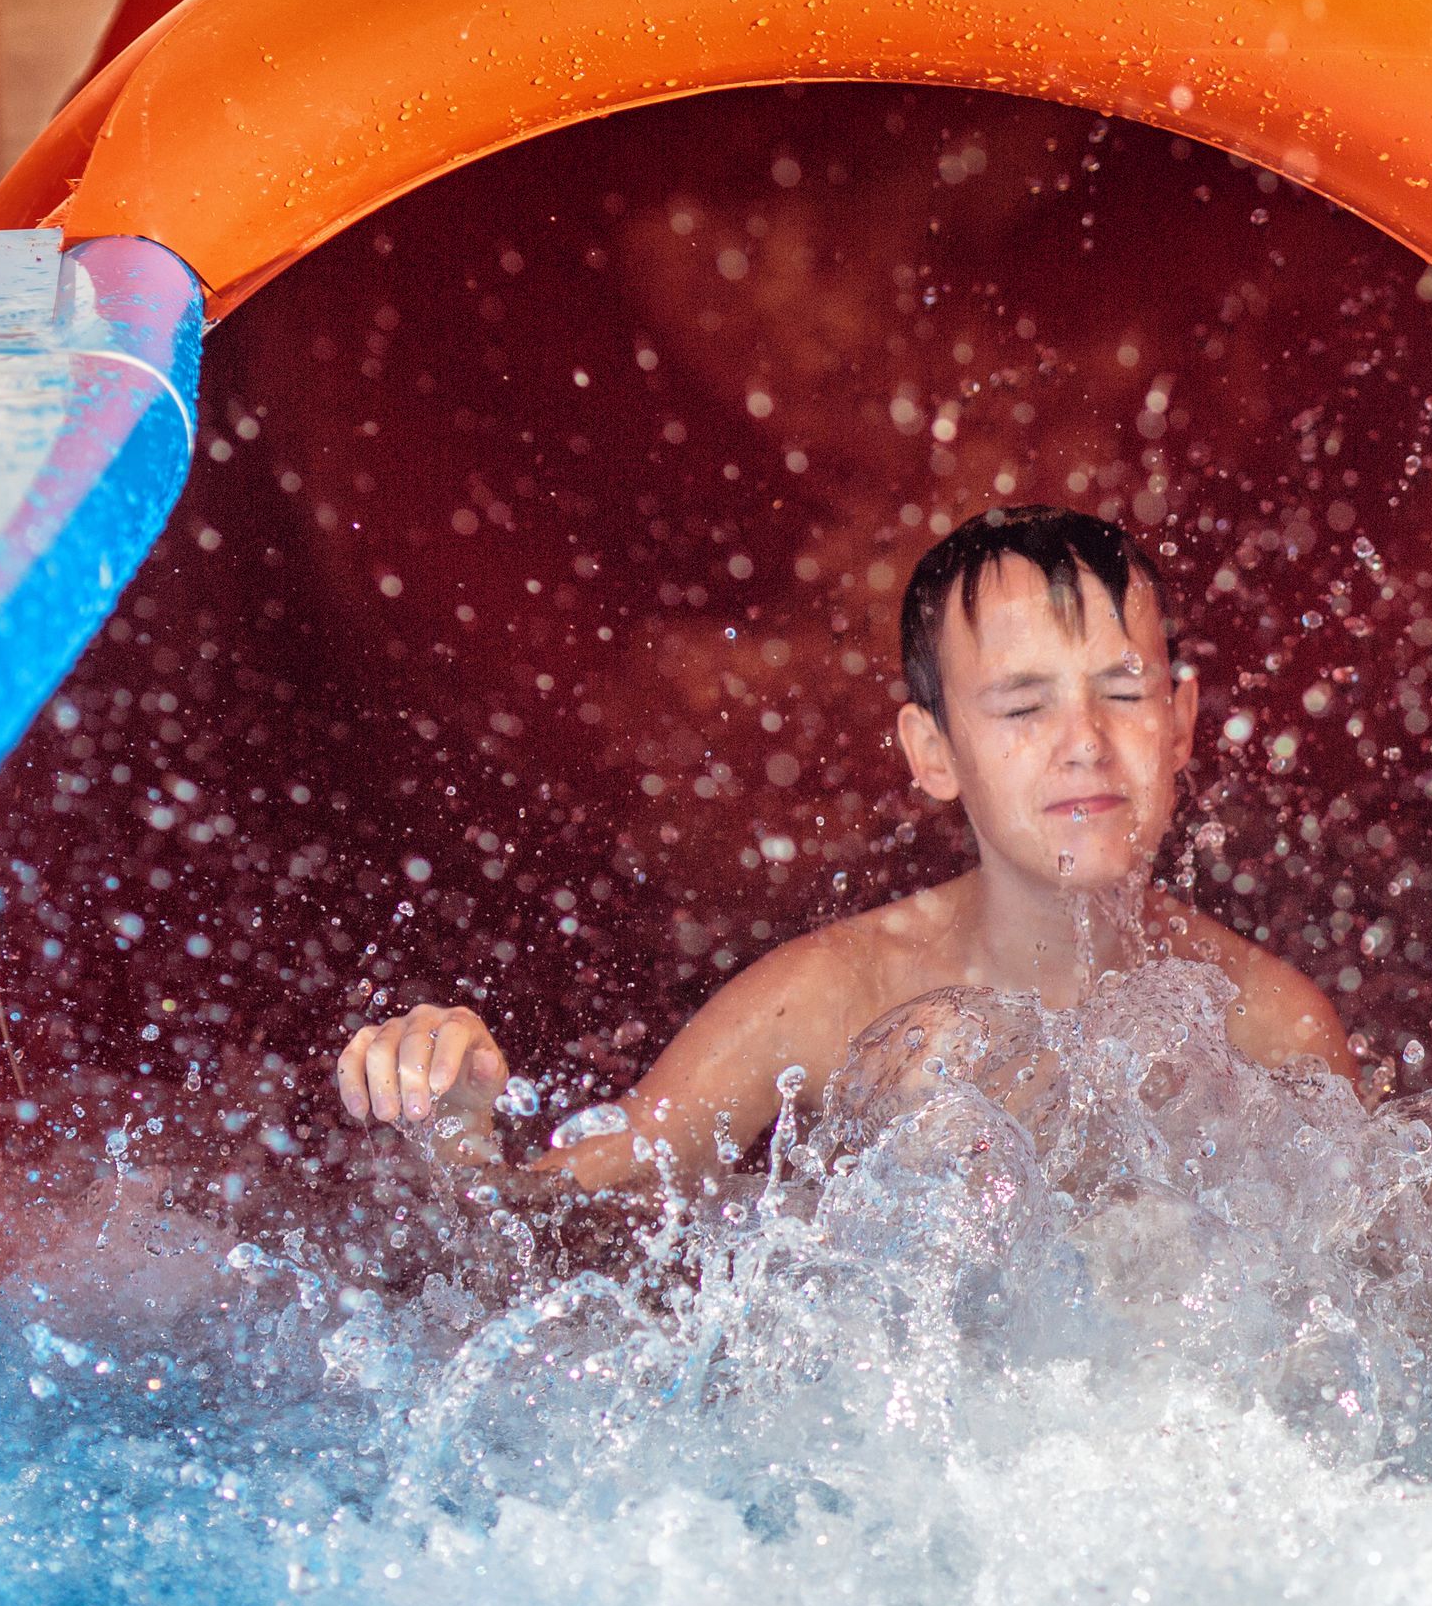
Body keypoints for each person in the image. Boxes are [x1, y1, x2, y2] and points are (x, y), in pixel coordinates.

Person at [334, 507, 1348, 1200]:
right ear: (934, 752)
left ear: (1180, 723)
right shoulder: (834, 997)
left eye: (1123, 694)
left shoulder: (1270, 1025)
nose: (1084, 739)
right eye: (1023, 704)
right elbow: (589, 1211)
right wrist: (459, 1133)